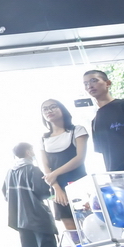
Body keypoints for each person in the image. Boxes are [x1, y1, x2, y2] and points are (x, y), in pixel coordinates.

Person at [2, 142, 58, 247]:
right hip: (38, 218)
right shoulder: (32, 169)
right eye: (32, 150)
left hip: (19, 220)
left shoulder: (10, 172)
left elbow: (5, 193)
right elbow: (43, 192)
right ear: (27, 152)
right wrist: (53, 189)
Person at [37, 99, 88, 232]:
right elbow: (45, 166)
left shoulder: (77, 130)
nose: (49, 111)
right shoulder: (43, 138)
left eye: (53, 107)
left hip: (79, 183)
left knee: (90, 224)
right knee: (72, 231)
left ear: (62, 109)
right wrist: (57, 188)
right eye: (45, 109)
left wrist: (54, 173)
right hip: (58, 188)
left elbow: (79, 158)